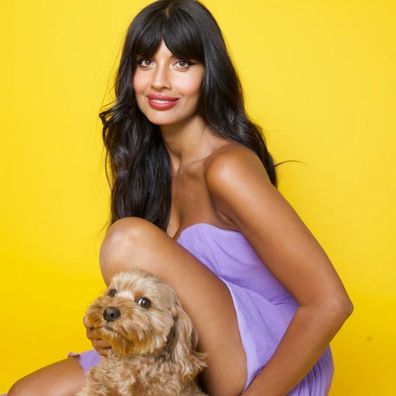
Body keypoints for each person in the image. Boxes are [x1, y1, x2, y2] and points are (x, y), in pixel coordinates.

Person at [8, 0, 353, 395]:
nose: (159, 81)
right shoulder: (148, 168)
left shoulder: (228, 169)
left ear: (210, 75)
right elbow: (157, 299)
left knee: (127, 239)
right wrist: (109, 329)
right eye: (145, 62)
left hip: (268, 362)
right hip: (182, 356)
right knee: (28, 392)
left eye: (182, 64)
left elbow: (330, 303)